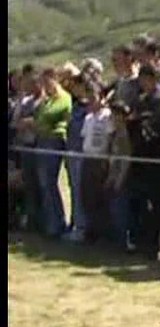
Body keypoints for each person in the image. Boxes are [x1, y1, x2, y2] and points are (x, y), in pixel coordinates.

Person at [129, 63, 160, 260]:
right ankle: (144, 241)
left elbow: (155, 127)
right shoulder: (141, 99)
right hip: (140, 156)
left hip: (156, 156)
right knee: (141, 201)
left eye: (146, 78)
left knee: (157, 203)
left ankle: (157, 244)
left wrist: (138, 121)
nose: (143, 82)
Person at [33, 67, 73, 238]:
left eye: (45, 81)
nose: (43, 85)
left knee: (50, 182)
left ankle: (58, 223)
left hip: (54, 141)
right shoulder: (47, 100)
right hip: (42, 141)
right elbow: (39, 116)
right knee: (44, 183)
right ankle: (50, 221)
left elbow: (49, 117)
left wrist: (41, 124)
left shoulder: (63, 98)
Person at [10, 67, 45, 232]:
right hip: (22, 145)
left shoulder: (42, 100)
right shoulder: (24, 101)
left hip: (37, 145)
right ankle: (29, 219)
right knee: (27, 184)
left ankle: (41, 219)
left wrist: (28, 122)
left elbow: (39, 122)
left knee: (39, 184)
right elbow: (15, 122)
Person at [80, 81, 115, 243]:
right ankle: (91, 230)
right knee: (87, 195)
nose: (90, 101)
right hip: (88, 158)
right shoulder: (88, 118)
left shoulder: (107, 116)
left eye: (93, 97)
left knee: (101, 196)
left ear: (101, 97)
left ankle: (104, 232)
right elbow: (84, 138)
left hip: (101, 159)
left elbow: (110, 138)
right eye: (88, 98)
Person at [63, 73, 90, 243]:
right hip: (71, 152)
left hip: (83, 154)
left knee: (81, 192)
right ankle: (74, 223)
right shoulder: (75, 106)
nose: (73, 89)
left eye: (76, 86)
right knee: (74, 190)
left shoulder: (89, 108)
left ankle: (82, 228)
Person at [104, 101, 133, 251]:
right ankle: (116, 238)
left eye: (115, 115)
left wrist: (120, 179)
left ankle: (123, 241)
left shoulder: (124, 134)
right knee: (113, 208)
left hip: (121, 177)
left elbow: (126, 159)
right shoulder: (115, 134)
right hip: (113, 174)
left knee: (120, 209)